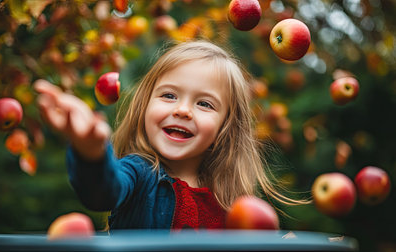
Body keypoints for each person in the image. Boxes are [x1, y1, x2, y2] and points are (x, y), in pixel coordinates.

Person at [34, 40, 307, 230]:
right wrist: (91, 153)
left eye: (204, 104)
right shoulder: (138, 174)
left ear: (226, 127)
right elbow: (102, 192)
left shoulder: (231, 201)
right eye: (169, 95)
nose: (183, 110)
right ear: (145, 106)